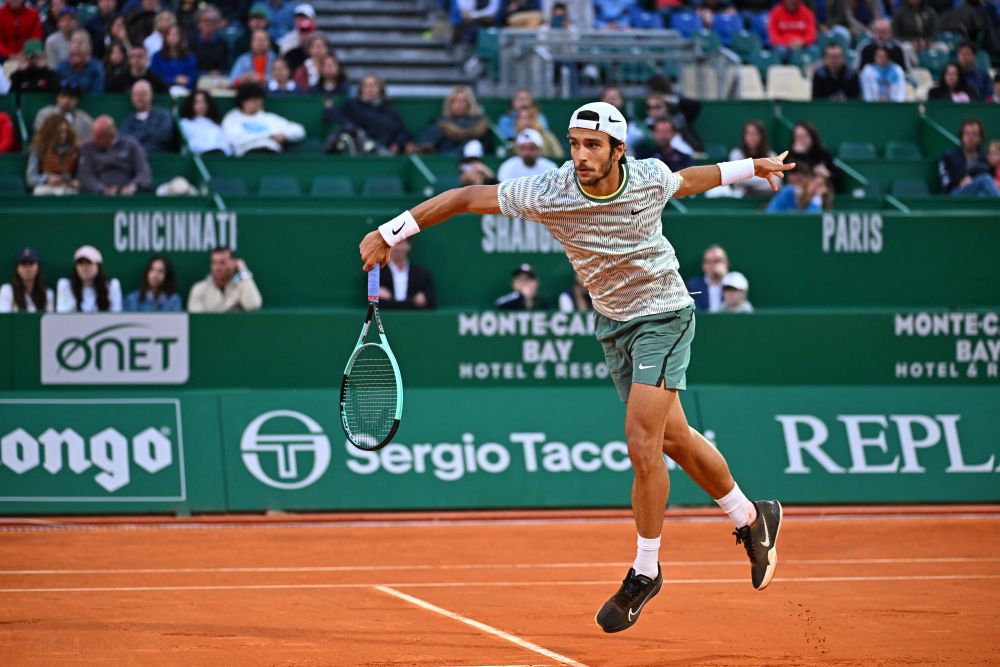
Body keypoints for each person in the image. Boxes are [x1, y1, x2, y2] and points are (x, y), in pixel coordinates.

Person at [360, 102, 790, 633]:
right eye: (574, 144)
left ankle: (646, 570)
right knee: (673, 438)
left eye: (592, 145)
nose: (581, 155)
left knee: (641, 440)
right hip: (612, 325)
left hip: (664, 312)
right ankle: (752, 517)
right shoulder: (552, 190)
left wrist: (756, 165)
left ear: (618, 150)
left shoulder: (648, 178)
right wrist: (392, 229)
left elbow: (693, 179)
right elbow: (467, 198)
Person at [222, 82, 305, 156]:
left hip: (272, 156)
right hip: (245, 158)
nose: (259, 103)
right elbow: (233, 139)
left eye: (260, 99)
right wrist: (268, 136)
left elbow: (299, 130)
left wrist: (285, 136)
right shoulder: (232, 118)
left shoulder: (269, 118)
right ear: (243, 101)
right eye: (254, 100)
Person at [78, 115, 153, 195]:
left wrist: (132, 187)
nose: (94, 140)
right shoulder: (88, 147)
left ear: (111, 134)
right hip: (99, 197)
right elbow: (86, 176)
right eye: (93, 136)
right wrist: (102, 189)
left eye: (99, 137)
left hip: (129, 196)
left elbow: (144, 173)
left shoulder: (131, 144)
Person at [412, 85, 491, 155]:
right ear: (449, 104)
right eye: (455, 101)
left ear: (468, 104)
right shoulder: (441, 123)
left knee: (474, 145)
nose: (458, 105)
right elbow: (424, 144)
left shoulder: (477, 124)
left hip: (471, 164)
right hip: (445, 161)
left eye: (462, 101)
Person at [187, 247, 263, 312]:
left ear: (233, 264)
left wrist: (243, 271)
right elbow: (196, 320)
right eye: (214, 263)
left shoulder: (241, 285)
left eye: (222, 263)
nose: (218, 268)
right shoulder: (199, 288)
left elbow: (254, 305)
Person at [939, 118, 1000, 197]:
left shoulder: (984, 157)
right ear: (961, 136)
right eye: (967, 134)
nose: (970, 138)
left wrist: (971, 178)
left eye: (974, 134)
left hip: (977, 193)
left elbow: (992, 178)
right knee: (985, 179)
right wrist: (960, 182)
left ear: (980, 138)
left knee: (982, 195)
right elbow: (945, 183)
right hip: (955, 193)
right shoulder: (949, 156)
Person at [56, 245, 123, 313]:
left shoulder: (111, 286)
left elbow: (115, 314)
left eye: (89, 262)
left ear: (98, 266)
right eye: (80, 263)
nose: (84, 267)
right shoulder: (65, 286)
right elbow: (62, 315)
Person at [26, 114, 79, 195]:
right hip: (46, 187)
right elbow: (30, 179)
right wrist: (47, 179)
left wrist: (75, 182)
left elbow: (80, 176)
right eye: (59, 133)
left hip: (67, 188)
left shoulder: (75, 148)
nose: (63, 135)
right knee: (39, 192)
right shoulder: (38, 148)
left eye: (65, 131)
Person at [377, 239, 436, 310]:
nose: (397, 248)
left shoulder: (421, 274)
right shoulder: (377, 274)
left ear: (408, 246)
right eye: (393, 243)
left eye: (400, 243)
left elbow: (430, 301)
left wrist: (423, 297)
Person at [119, 80, 175, 154]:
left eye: (143, 94)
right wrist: (150, 133)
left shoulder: (163, 115)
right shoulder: (128, 120)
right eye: (136, 94)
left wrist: (138, 136)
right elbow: (125, 141)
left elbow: (165, 135)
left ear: (151, 95)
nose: (139, 98)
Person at [728, 120, 776, 196]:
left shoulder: (771, 155)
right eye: (748, 134)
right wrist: (764, 178)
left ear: (761, 136)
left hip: (766, 197)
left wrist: (746, 178)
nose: (751, 137)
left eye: (755, 134)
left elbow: (776, 181)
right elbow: (736, 177)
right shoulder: (736, 154)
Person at [0, 248, 54, 313]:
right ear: (17, 269)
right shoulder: (7, 290)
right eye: (23, 264)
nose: (27, 268)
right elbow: (4, 319)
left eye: (31, 263)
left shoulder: (48, 293)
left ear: (38, 267)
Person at [179, 89, 231, 155]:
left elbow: (225, 144)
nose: (201, 105)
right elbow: (189, 145)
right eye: (197, 102)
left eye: (204, 102)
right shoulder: (184, 123)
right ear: (191, 104)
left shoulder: (215, 124)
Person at [789, 121, 839, 188]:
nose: (800, 140)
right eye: (797, 137)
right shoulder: (790, 155)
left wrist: (827, 174)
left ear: (812, 137)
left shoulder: (823, 153)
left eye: (804, 136)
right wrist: (801, 155)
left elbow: (838, 180)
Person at [766, 162, 830, 211]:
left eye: (821, 186)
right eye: (816, 184)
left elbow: (811, 223)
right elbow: (770, 214)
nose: (817, 189)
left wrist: (816, 198)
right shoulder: (789, 192)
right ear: (807, 181)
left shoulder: (818, 200)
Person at [106, 44, 170, 93]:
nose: (137, 60)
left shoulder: (156, 80)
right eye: (133, 56)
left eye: (140, 56)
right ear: (129, 59)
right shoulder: (118, 80)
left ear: (146, 58)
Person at [149, 24, 196, 90]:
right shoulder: (157, 56)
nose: (173, 37)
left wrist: (186, 80)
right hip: (163, 90)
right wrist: (174, 79)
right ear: (165, 37)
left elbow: (192, 76)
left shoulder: (189, 56)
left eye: (176, 34)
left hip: (184, 90)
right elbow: (154, 76)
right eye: (170, 34)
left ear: (181, 37)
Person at [685, 245, 729, 312]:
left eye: (717, 261)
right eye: (708, 262)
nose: (712, 265)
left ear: (726, 263)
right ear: (703, 265)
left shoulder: (734, 285)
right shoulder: (692, 286)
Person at [191, 6, 229, 77]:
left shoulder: (223, 43)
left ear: (217, 24)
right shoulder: (191, 43)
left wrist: (218, 72)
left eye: (213, 21)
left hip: (217, 79)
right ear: (199, 23)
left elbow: (225, 68)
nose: (209, 23)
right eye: (205, 20)